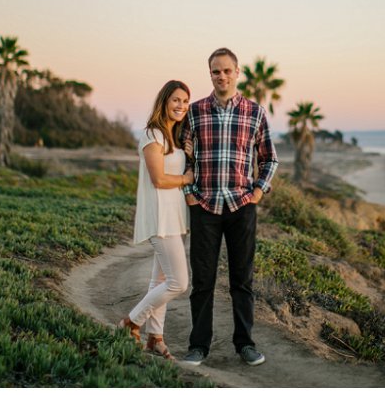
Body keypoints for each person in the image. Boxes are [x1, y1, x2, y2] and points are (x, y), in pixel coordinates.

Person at [180, 48, 279, 367]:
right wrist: (189, 193)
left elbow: (269, 158)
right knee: (203, 281)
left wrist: (259, 191)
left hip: (241, 206)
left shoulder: (254, 112)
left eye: (226, 71)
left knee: (242, 280)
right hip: (204, 205)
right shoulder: (194, 112)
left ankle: (245, 344)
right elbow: (183, 157)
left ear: (237, 73)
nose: (220, 76)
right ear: (209, 74)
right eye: (214, 71)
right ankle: (198, 346)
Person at [118, 80, 195, 360]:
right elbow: (159, 179)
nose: (181, 106)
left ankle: (155, 339)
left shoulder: (173, 138)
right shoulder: (153, 134)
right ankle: (131, 323)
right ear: (164, 101)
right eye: (176, 100)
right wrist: (186, 178)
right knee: (178, 283)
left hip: (175, 217)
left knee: (160, 281)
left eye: (186, 102)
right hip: (160, 218)